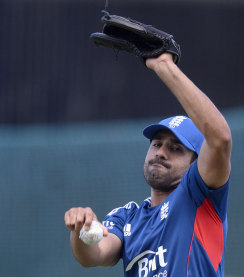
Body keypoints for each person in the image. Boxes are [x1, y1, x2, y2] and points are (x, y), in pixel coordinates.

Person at [64, 52, 232, 277]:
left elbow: (220, 139)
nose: (161, 152)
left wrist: (164, 66)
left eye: (175, 148)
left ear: (196, 162)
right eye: (156, 144)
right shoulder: (127, 216)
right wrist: (81, 232)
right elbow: (94, 255)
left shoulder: (198, 196)